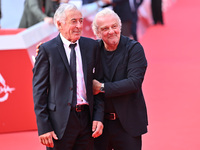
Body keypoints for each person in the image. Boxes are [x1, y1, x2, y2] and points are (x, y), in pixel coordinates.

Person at [32, 3, 104, 150]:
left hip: (87, 121)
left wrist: (98, 116)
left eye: (81, 21)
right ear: (59, 24)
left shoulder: (92, 46)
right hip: (59, 123)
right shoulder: (47, 50)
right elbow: (39, 91)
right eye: (73, 21)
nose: (79, 25)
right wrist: (44, 127)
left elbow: (99, 83)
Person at [91, 8, 148, 150]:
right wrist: (44, 50)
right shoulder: (93, 50)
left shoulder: (134, 49)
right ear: (97, 33)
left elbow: (134, 83)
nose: (111, 31)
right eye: (105, 28)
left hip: (128, 124)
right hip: (100, 125)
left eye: (114, 26)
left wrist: (101, 87)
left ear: (120, 27)